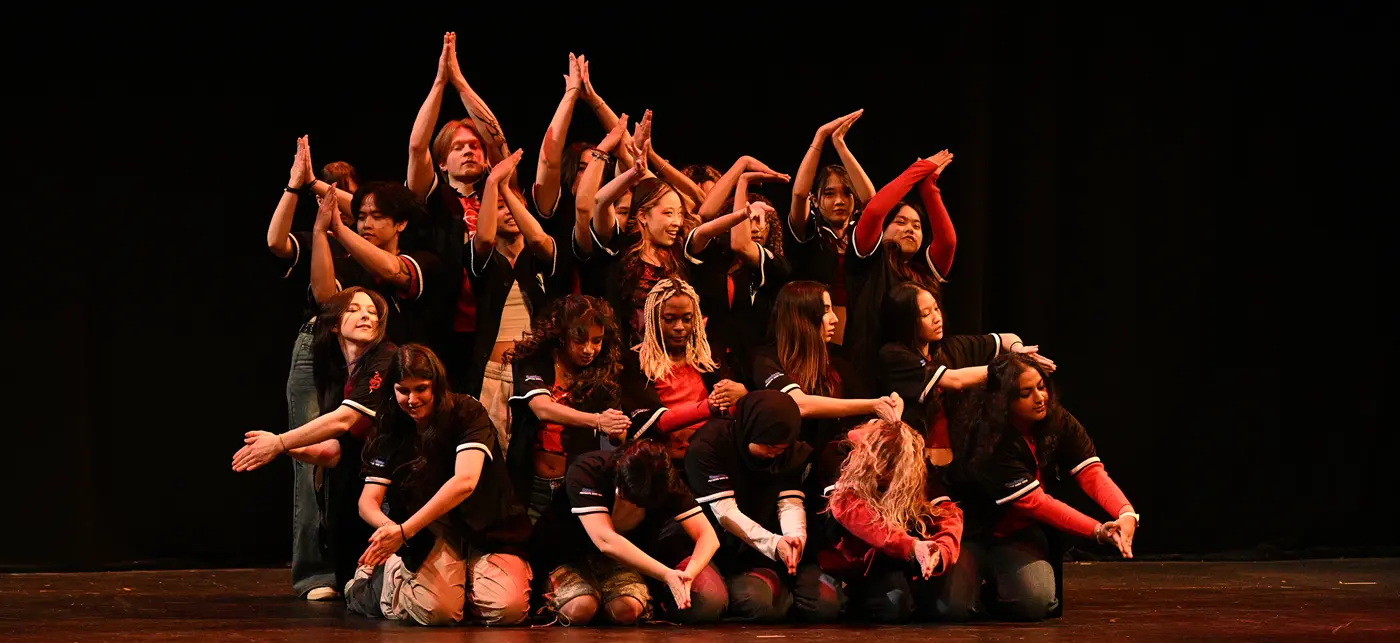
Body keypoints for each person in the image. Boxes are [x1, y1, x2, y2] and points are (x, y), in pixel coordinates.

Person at [344, 344, 533, 626]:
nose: (412, 399)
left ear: (436, 384)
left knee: (508, 610)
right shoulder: (390, 425)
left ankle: (466, 585)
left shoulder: (466, 411)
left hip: (486, 524)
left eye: (421, 388)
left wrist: (403, 531)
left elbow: (465, 481)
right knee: (438, 612)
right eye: (403, 390)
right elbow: (367, 502)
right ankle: (372, 586)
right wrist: (393, 533)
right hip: (428, 529)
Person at [944, 353, 1140, 621]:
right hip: (970, 534)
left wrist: (1126, 512)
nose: (1040, 398)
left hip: (1016, 535)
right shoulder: (988, 439)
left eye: (1041, 387)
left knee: (1036, 602)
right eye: (1026, 393)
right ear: (1004, 401)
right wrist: (1097, 530)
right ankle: (971, 589)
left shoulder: (1057, 421)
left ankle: (992, 592)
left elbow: (1091, 472)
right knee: (951, 609)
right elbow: (1036, 503)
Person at [232, 287, 399, 591]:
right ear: (333, 324)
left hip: (398, 483)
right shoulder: (342, 372)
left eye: (372, 312)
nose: (366, 316)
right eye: (354, 310)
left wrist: (280, 442)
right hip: (368, 476)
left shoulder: (386, 358)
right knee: (350, 580)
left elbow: (344, 419)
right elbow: (333, 452)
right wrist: (278, 448)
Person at [405, 33, 513, 390]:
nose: (470, 151)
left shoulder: (498, 193)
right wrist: (441, 82)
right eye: (458, 147)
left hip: (491, 324)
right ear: (442, 162)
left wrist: (461, 82)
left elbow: (496, 139)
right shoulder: (434, 197)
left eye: (474, 146)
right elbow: (417, 146)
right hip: (440, 324)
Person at [684, 390, 842, 622]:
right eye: (769, 447)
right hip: (712, 546)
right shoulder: (709, 446)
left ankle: (775, 592)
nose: (774, 455)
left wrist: (794, 539)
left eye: (781, 449)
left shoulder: (787, 451)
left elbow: (790, 502)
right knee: (733, 602)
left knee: (826, 604)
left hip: (759, 551)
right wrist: (774, 543)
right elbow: (725, 513)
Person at [531, 440, 728, 625]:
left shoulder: (664, 481)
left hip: (620, 561)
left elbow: (708, 536)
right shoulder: (589, 470)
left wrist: (688, 575)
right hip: (568, 556)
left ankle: (606, 600)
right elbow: (605, 541)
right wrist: (666, 574)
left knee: (626, 610)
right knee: (580, 607)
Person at [264, 135, 340, 600]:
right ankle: (313, 572)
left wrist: (318, 185)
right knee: (310, 458)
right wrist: (296, 186)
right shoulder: (317, 241)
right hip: (318, 347)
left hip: (367, 352)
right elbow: (275, 241)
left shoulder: (375, 245)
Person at [878, 282, 1055, 465]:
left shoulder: (950, 349)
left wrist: (1018, 350)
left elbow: (1007, 339)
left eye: (936, 309)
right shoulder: (894, 356)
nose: (937, 318)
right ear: (906, 321)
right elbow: (955, 380)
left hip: (955, 465)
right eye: (925, 314)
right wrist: (1011, 365)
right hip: (913, 462)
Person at [808, 418, 964, 623]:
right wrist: (910, 546)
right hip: (836, 558)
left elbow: (947, 513)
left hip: (881, 563)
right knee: (827, 607)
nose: (883, 473)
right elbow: (849, 509)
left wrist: (940, 551)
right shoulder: (839, 453)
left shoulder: (912, 466)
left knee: (904, 606)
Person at [503, 295, 631, 521]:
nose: (589, 350)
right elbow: (542, 408)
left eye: (596, 341)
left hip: (574, 485)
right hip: (530, 485)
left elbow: (617, 437)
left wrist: (616, 429)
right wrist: (598, 421)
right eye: (580, 340)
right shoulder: (535, 361)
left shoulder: (603, 374)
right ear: (562, 335)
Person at [844, 150, 958, 397]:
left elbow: (948, 242)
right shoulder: (869, 259)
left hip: (920, 378)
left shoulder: (922, 272)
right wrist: (919, 170)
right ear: (882, 230)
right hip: (872, 377)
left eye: (917, 226)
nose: (910, 230)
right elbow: (875, 212)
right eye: (900, 222)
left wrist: (929, 188)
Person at [466, 150, 561, 441]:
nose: (509, 211)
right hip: (493, 373)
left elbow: (538, 238)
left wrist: (506, 190)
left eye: (516, 207)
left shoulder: (538, 256)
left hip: (535, 374)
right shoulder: (484, 259)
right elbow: (484, 238)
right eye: (500, 207)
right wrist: (492, 182)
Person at [753, 281, 901, 457]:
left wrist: (890, 406)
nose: (835, 318)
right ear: (801, 317)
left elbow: (859, 417)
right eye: (825, 311)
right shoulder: (767, 361)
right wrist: (873, 405)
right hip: (786, 464)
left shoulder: (836, 362)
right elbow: (799, 404)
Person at [618, 278, 746, 463]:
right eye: (670, 319)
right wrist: (710, 406)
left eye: (687, 319)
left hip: (712, 446)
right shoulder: (636, 361)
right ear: (653, 319)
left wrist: (741, 394)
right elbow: (657, 423)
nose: (679, 327)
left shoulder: (707, 355)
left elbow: (730, 406)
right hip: (662, 457)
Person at [785, 110, 876, 345]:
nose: (839, 201)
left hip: (860, 337)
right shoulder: (811, 233)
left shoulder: (858, 235)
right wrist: (820, 136)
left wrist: (840, 145)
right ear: (815, 201)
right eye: (829, 193)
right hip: (813, 337)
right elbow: (799, 194)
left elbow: (871, 201)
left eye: (847, 193)